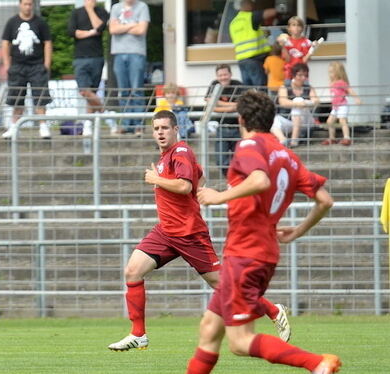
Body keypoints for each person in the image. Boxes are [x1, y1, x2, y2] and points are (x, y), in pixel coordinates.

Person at [107, 110, 290, 352]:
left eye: (164, 128)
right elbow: (199, 178)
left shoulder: (181, 151)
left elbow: (184, 186)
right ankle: (138, 334)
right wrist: (197, 191)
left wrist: (157, 179)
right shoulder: (168, 157)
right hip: (166, 232)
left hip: (189, 233)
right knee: (132, 271)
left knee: (223, 285)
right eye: (156, 128)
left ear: (175, 129)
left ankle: (274, 311)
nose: (160, 132)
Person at [187, 90, 340, 374]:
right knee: (210, 329)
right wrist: (296, 232)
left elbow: (259, 179)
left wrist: (218, 196)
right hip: (263, 252)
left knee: (240, 342)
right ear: (270, 120)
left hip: (245, 252)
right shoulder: (288, 155)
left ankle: (316, 363)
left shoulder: (248, 146)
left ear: (241, 118)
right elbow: (325, 200)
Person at [1, 0, 53, 139]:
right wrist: (7, 64)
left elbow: (47, 43)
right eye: (25, 4)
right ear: (20, 4)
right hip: (18, 66)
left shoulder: (40, 22)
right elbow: (6, 43)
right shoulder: (12, 22)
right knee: (17, 98)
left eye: (30, 4)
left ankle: (43, 126)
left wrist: (46, 64)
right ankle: (14, 127)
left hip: (37, 65)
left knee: (40, 97)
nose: (28, 7)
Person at [68, 0, 109, 137]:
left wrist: (91, 11)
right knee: (85, 91)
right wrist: (92, 32)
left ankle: (88, 124)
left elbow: (100, 27)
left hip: (97, 57)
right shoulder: (76, 13)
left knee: (92, 92)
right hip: (80, 58)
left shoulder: (102, 12)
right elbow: (73, 32)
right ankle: (105, 112)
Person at [109, 0, 150, 136]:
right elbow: (112, 29)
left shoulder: (142, 6)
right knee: (123, 91)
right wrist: (132, 24)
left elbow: (142, 29)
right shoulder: (116, 8)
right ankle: (127, 125)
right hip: (119, 53)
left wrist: (122, 26)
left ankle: (139, 125)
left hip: (136, 52)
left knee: (137, 90)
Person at [204, 64, 245, 176]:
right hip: (221, 128)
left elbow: (241, 105)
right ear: (217, 76)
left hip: (237, 128)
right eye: (220, 75)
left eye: (225, 74)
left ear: (230, 74)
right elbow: (209, 103)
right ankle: (229, 179)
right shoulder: (214, 84)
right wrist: (231, 107)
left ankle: (236, 181)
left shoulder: (238, 85)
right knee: (221, 161)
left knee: (239, 159)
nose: (223, 77)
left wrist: (217, 103)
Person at [229, 0, 277, 86]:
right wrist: (282, 8)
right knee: (261, 88)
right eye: (251, 3)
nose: (253, 5)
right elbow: (271, 12)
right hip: (255, 60)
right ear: (246, 4)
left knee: (248, 89)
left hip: (242, 60)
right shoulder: (250, 17)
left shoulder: (233, 23)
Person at [274, 63, 320, 147]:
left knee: (298, 100)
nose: (303, 78)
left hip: (306, 120)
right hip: (289, 120)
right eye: (300, 75)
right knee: (274, 119)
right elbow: (282, 101)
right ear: (294, 75)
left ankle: (294, 141)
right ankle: (283, 139)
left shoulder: (308, 87)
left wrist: (305, 103)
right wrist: (298, 104)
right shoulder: (284, 87)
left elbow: (316, 100)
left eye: (305, 76)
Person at [321, 61, 361, 146]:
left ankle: (347, 137)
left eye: (332, 72)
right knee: (329, 121)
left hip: (342, 104)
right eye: (329, 72)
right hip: (335, 107)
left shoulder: (341, 82)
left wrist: (356, 98)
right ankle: (332, 138)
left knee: (342, 120)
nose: (330, 74)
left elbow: (349, 90)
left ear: (338, 72)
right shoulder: (332, 83)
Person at [278, 16, 321, 84]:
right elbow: (288, 60)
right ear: (289, 28)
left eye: (299, 25)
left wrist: (312, 49)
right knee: (288, 93)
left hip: (303, 75)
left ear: (302, 28)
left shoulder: (307, 42)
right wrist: (283, 47)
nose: (296, 28)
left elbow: (304, 60)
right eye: (293, 25)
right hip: (289, 74)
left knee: (305, 93)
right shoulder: (286, 41)